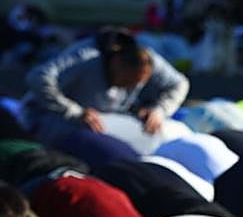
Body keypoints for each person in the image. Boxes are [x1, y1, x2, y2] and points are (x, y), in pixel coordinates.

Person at [23, 28, 189, 144]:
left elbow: (180, 83)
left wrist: (160, 110)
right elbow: (38, 77)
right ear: (116, 63)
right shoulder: (86, 58)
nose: (129, 88)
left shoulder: (146, 58)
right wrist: (74, 111)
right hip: (53, 119)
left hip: (104, 122)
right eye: (127, 81)